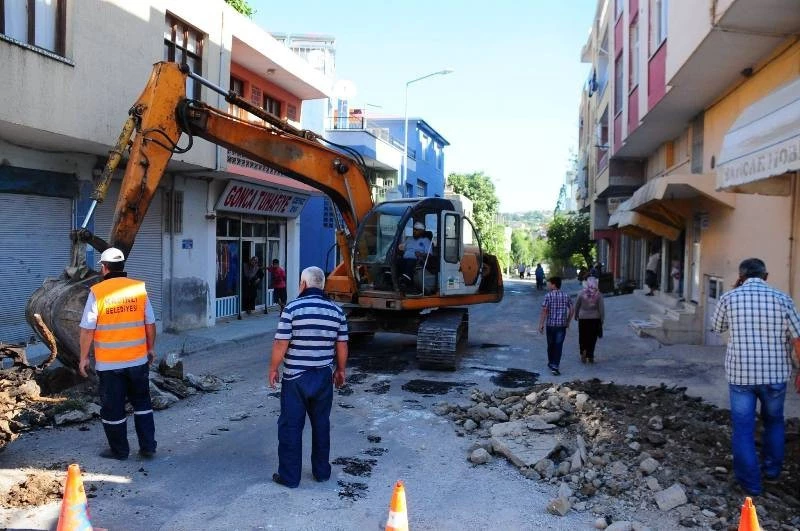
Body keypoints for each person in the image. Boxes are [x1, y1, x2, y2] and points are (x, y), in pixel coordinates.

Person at [710, 258, 800, 496]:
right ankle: (771, 472)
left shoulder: (729, 298)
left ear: (741, 276)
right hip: (775, 375)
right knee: (774, 421)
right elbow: (797, 337)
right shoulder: (783, 299)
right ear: (766, 276)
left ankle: (751, 485)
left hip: (741, 376)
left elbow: (717, 327)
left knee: (743, 429)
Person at [268, 266, 349, 488]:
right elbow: (342, 344)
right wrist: (340, 370)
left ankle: (290, 477)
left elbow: (280, 343)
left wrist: (274, 368)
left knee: (290, 427)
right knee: (321, 425)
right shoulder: (336, 311)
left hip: (295, 378)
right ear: (322, 285)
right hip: (323, 377)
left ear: (303, 284)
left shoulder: (293, 308)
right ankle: (322, 472)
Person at [78, 247, 157, 460]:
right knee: (142, 404)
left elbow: (87, 329)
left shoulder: (98, 292)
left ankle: (120, 451)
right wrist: (150, 348)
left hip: (110, 365)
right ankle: (148, 446)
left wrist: (83, 357)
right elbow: (150, 323)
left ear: (104, 268)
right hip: (137, 361)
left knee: (113, 409)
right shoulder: (138, 289)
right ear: (122, 266)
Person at [538, 276, 573, 376]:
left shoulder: (548, 296)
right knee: (558, 345)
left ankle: (551, 363)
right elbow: (572, 309)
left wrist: (541, 324)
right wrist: (568, 321)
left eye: (549, 283)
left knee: (550, 345)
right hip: (561, 326)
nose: (548, 285)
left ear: (554, 284)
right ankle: (555, 365)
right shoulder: (566, 296)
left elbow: (544, 311)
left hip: (550, 325)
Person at [574, 276, 605, 364]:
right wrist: (602, 319)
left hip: (583, 318)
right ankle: (590, 355)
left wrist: (575, 315)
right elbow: (601, 308)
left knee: (583, 336)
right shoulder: (598, 294)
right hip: (595, 319)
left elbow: (577, 305)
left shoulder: (581, 293)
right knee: (592, 338)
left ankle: (583, 351)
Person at [397, 221, 432, 289]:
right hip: (405, 259)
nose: (414, 231)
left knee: (409, 263)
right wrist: (398, 249)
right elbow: (402, 248)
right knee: (396, 261)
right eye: (414, 229)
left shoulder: (426, 240)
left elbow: (429, 254)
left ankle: (405, 282)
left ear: (421, 231)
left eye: (416, 230)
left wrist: (421, 254)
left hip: (417, 260)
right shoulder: (409, 239)